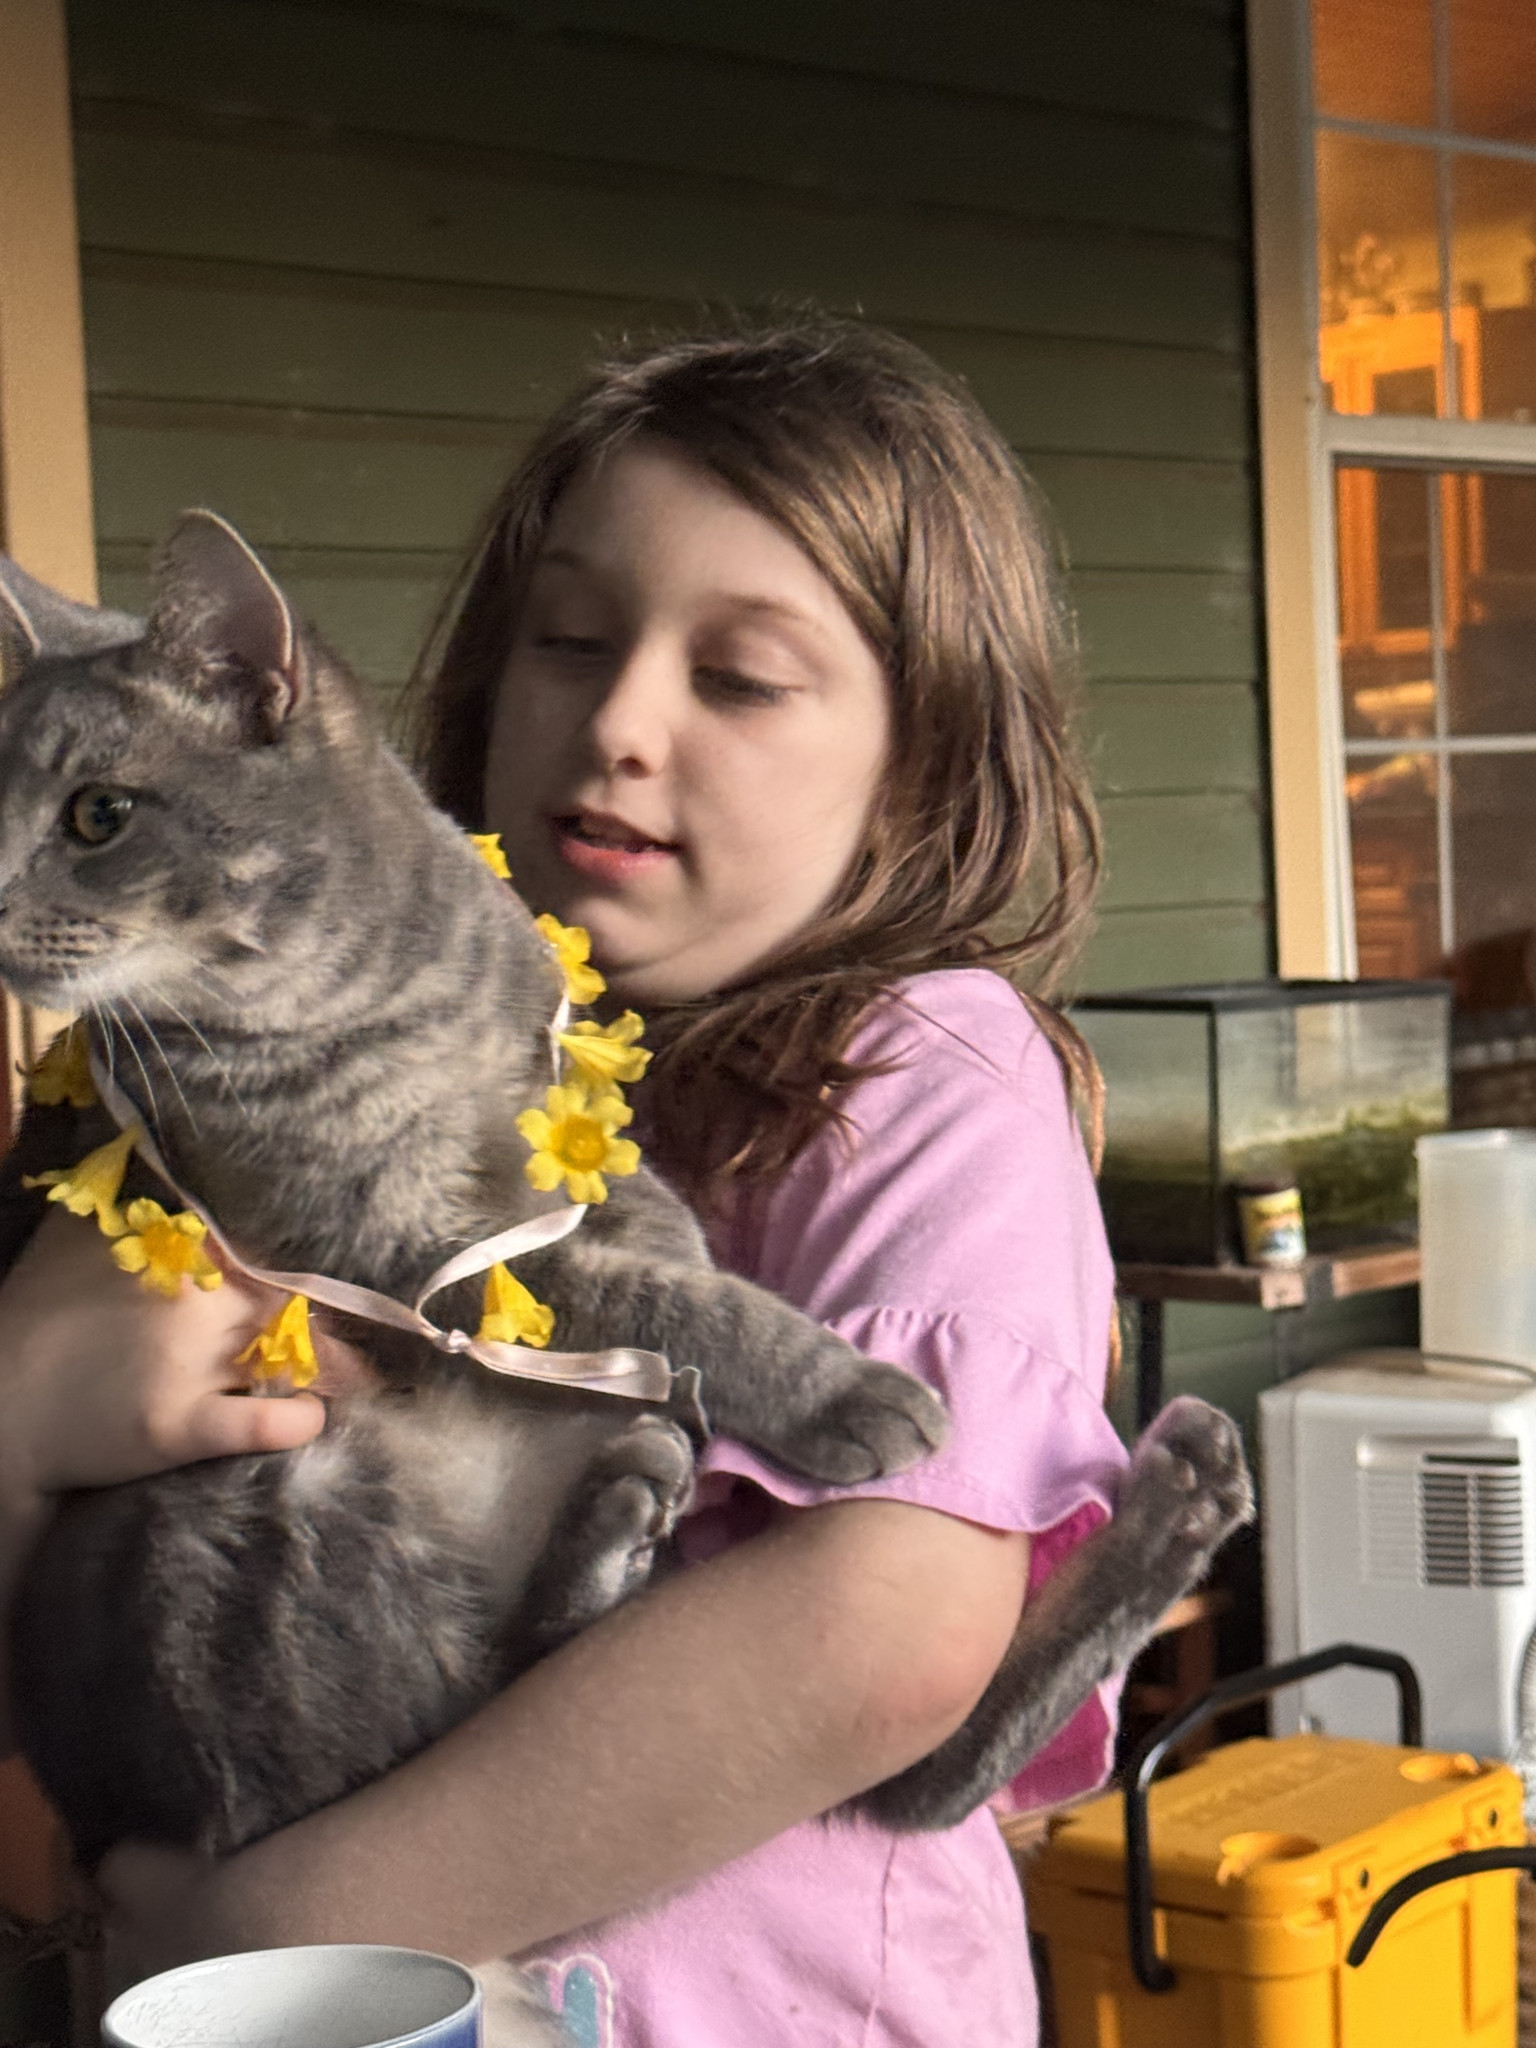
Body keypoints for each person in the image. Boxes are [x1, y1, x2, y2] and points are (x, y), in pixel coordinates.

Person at [0, 316, 1128, 2045]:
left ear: (919, 760)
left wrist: (267, 1932)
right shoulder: (270, 1049)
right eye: (572, 640)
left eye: (739, 677)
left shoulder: (925, 1065)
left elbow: (891, 1627)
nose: (618, 722)